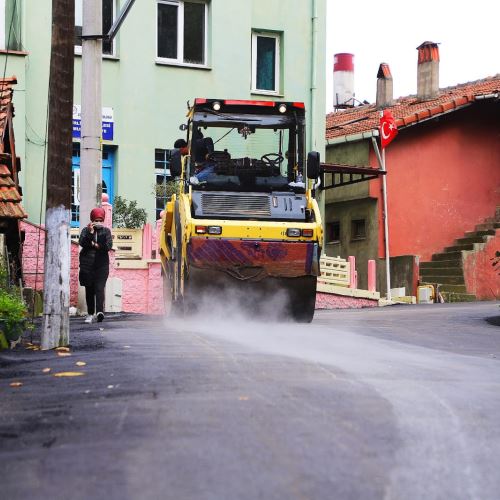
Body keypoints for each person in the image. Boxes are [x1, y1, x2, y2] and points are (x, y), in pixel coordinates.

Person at [79, 207, 113, 323]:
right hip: (87, 266)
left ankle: (99, 312)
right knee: (89, 290)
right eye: (96, 220)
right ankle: (90, 313)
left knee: (99, 288)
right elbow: (82, 243)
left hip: (101, 266)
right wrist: (91, 233)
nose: (98, 222)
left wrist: (95, 245)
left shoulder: (106, 231)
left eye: (100, 220)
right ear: (92, 219)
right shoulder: (86, 230)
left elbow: (108, 246)